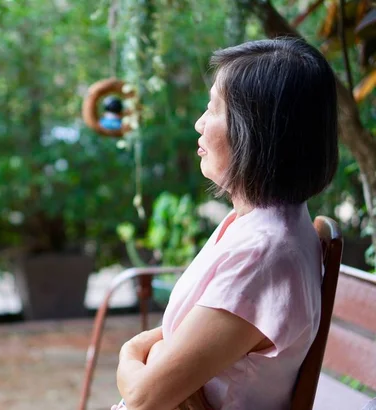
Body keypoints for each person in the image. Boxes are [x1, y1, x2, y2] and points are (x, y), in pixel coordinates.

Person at [112, 37, 339, 410]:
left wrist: (131, 349)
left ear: (259, 132)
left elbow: (142, 398)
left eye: (214, 108)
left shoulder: (263, 255)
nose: (200, 123)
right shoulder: (265, 223)